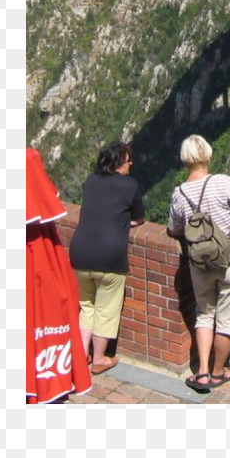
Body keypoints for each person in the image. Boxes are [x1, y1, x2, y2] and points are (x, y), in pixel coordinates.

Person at [167, 134, 230, 392]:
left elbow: (174, 229)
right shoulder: (222, 182)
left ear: (185, 161)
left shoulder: (179, 193)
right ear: (208, 156)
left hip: (199, 263)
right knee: (228, 318)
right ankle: (220, 372)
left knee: (204, 313)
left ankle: (203, 372)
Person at [68, 141, 145, 376]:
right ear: (118, 163)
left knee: (87, 307)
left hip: (80, 253)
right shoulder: (130, 185)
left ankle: (81, 356)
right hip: (109, 257)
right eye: (128, 160)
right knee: (106, 310)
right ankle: (99, 359)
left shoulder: (91, 181)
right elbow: (138, 219)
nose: (131, 163)